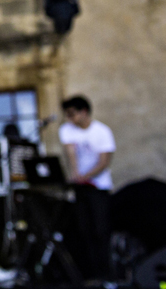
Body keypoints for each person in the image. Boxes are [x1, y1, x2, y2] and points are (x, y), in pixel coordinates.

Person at [59, 95, 115, 279]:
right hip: (80, 188)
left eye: (72, 114)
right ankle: (90, 276)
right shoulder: (67, 130)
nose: (69, 119)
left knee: (101, 231)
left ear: (84, 112)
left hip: (98, 188)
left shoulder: (102, 131)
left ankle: (107, 274)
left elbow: (104, 161)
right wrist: (76, 175)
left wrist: (86, 176)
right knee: (84, 231)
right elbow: (71, 153)